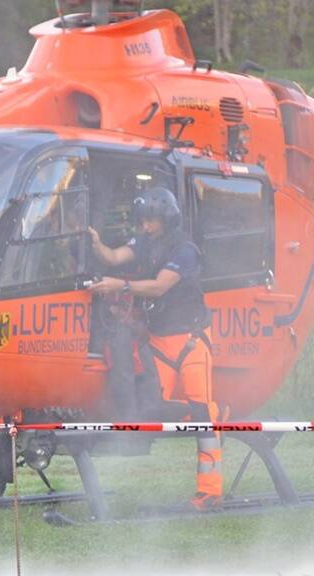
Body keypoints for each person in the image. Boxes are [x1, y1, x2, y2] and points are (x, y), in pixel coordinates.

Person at [87, 187, 222, 510]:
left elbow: (160, 286)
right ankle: (215, 414)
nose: (145, 226)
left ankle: (210, 490)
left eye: (151, 221)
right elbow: (114, 257)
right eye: (143, 221)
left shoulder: (185, 250)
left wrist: (120, 285)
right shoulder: (144, 243)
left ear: (167, 220)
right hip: (159, 341)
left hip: (191, 340)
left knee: (202, 413)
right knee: (152, 408)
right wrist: (93, 242)